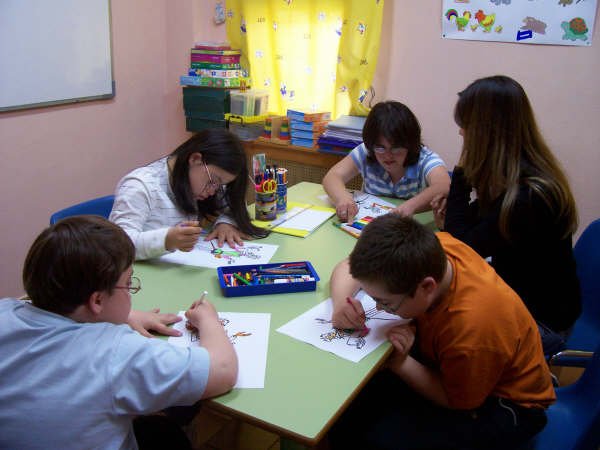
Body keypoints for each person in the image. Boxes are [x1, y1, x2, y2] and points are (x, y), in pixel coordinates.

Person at [0, 216, 238, 450]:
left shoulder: (6, 310)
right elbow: (223, 370)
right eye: (129, 282)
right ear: (97, 301)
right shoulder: (115, 353)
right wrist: (209, 320)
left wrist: (123, 314)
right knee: (166, 434)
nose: (131, 290)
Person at [328, 214, 555, 450]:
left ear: (427, 287)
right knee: (354, 409)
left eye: (386, 303)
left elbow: (456, 400)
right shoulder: (435, 249)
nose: (377, 308)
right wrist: (341, 303)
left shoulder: (470, 330)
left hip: (505, 405)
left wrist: (400, 363)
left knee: (377, 437)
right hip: (457, 364)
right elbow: (348, 267)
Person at [431, 75, 580, 356]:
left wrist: (461, 174)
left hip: (542, 322)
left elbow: (463, 249)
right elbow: (471, 227)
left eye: (465, 125)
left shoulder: (530, 196)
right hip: (519, 297)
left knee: (436, 327)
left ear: (486, 131)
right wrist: (452, 219)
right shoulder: (514, 179)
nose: (461, 133)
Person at [110, 128, 268, 260]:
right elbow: (117, 246)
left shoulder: (198, 181)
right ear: (195, 159)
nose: (213, 191)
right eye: (213, 181)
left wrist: (225, 223)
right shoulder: (140, 186)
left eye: (220, 185)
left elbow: (230, 205)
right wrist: (167, 240)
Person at [322, 101, 450, 222]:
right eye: (380, 147)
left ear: (410, 144)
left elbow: (444, 185)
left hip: (412, 228)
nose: (388, 156)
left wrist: (409, 207)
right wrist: (343, 198)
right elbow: (333, 176)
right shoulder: (366, 151)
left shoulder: (425, 158)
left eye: (396, 148)